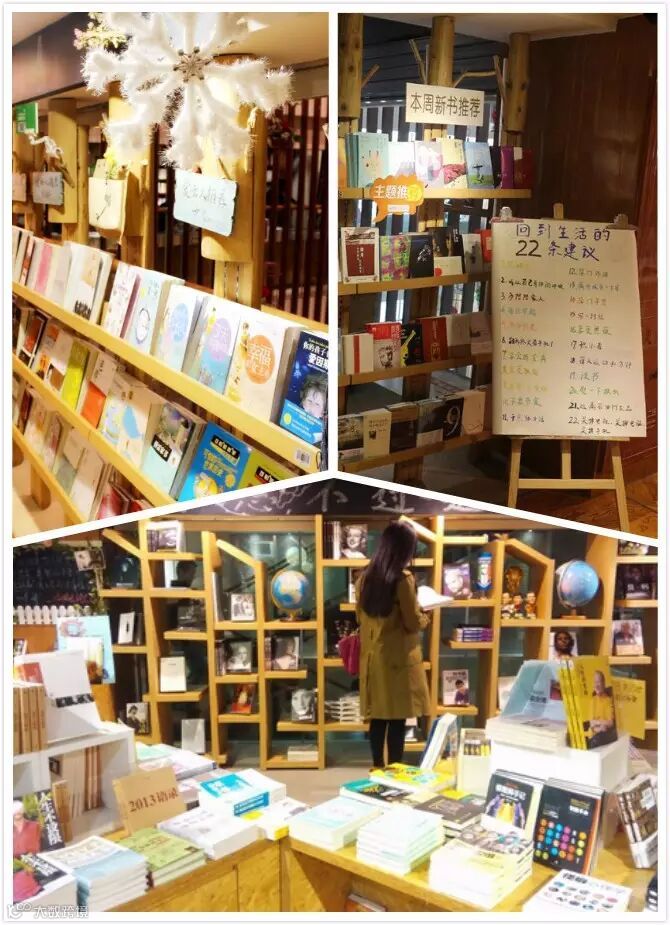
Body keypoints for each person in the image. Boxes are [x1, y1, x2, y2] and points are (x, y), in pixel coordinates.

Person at [356, 521, 431, 769]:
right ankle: (395, 769)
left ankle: (377, 766)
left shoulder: (364, 578)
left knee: (377, 717)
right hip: (398, 660)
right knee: (397, 719)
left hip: (373, 658)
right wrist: (426, 616)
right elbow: (412, 622)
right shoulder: (403, 579)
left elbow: (360, 617)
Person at [587, 669, 617, 748]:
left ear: (603, 683)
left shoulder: (608, 700)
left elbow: (610, 723)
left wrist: (597, 723)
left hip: (603, 737)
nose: (596, 685)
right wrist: (600, 726)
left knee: (597, 739)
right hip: (592, 735)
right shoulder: (592, 700)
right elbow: (591, 723)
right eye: (595, 682)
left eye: (598, 682)